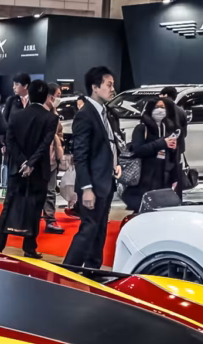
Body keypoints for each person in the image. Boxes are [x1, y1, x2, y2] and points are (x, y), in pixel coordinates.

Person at [0, 79, 59, 258]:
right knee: (36, 208)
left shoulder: (16, 115)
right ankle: (29, 248)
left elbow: (10, 142)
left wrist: (23, 162)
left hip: (16, 169)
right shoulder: (51, 118)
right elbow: (45, 144)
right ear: (46, 97)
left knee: (8, 205)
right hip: (39, 170)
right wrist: (31, 163)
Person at [64, 65, 120, 269]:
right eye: (108, 84)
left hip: (106, 181)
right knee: (88, 230)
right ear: (95, 87)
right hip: (93, 185)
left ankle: (93, 270)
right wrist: (86, 188)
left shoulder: (106, 113)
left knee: (99, 230)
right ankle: (68, 271)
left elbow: (110, 145)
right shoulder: (85, 115)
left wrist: (117, 164)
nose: (112, 89)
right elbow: (81, 155)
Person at [122, 97, 184, 212]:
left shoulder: (168, 128)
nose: (160, 110)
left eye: (163, 107)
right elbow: (139, 150)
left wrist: (173, 148)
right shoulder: (142, 128)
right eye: (157, 107)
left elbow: (171, 156)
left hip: (163, 178)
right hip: (146, 178)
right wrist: (161, 143)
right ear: (150, 109)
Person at [42, 83, 66, 234]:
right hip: (39, 158)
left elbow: (60, 132)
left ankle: (50, 220)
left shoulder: (55, 114)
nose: (59, 98)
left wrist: (59, 143)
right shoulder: (40, 113)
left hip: (52, 157)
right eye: (58, 95)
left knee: (50, 191)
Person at [160, 86, 188, 153]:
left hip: (162, 149)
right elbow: (184, 133)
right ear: (175, 97)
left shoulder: (159, 110)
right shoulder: (182, 112)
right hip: (177, 149)